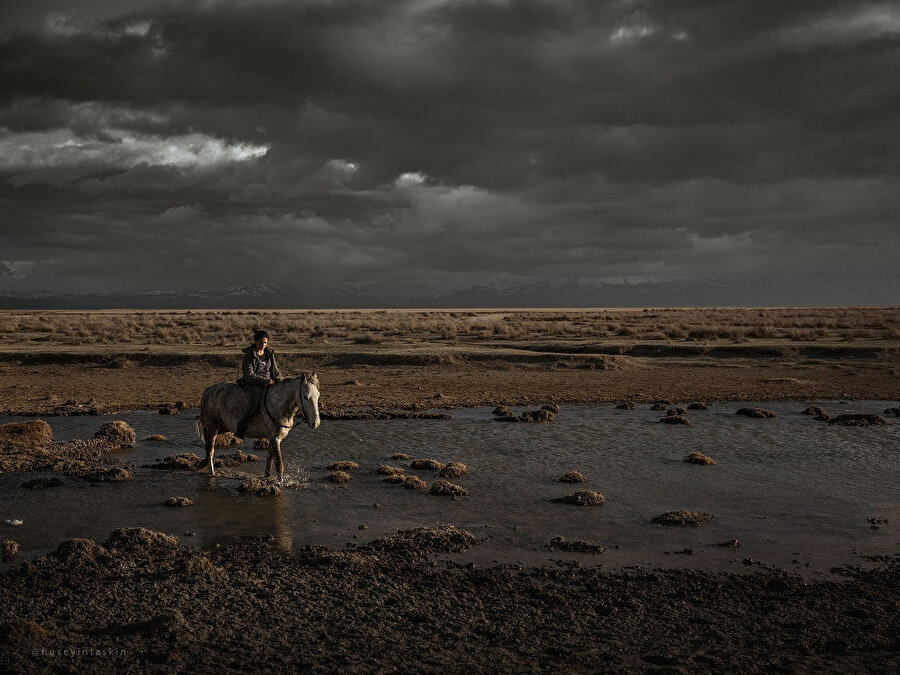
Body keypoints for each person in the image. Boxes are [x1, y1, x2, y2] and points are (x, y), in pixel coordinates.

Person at [234, 329, 282, 440]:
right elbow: (249, 375)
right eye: (260, 342)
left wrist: (280, 379)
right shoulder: (249, 355)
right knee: (254, 398)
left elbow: (275, 370)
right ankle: (241, 428)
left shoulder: (269, 353)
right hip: (253, 383)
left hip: (269, 382)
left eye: (265, 343)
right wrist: (265, 381)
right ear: (255, 341)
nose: (263, 345)